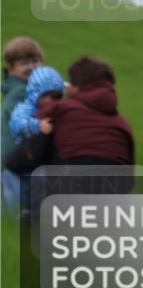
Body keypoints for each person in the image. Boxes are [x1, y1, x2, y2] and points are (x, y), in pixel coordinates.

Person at [38, 56, 135, 166]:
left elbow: (31, 131)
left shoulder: (62, 109)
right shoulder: (123, 126)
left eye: (69, 82)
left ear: (77, 86)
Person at [1, 37, 44, 215]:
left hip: (15, 157)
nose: (31, 67)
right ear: (11, 68)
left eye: (34, 61)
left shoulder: (22, 88)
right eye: (24, 63)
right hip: (17, 157)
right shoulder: (21, 91)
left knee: (16, 207)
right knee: (19, 207)